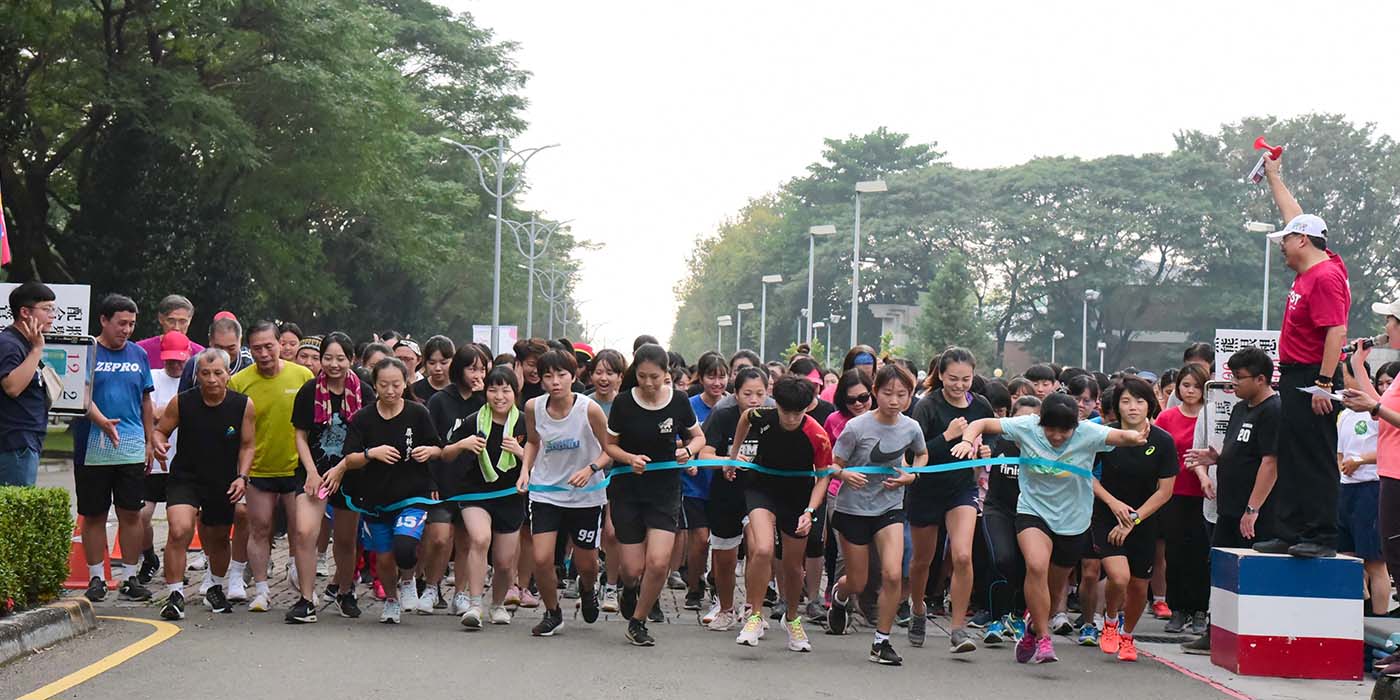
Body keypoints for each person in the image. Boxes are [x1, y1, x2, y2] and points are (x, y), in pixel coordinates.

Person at [952, 394, 1147, 665]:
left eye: (1064, 431)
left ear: (1075, 427)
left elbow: (1123, 437)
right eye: (1050, 429)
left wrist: (1136, 436)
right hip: (1033, 511)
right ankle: (1044, 639)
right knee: (1036, 566)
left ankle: (1033, 627)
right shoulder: (1027, 426)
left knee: (1054, 592)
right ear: (1041, 423)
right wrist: (966, 440)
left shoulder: (1089, 432)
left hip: (1073, 519)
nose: (1056, 436)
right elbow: (983, 423)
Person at [1254, 154, 1350, 559]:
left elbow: (1337, 331)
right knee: (1292, 454)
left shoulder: (1325, 277)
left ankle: (1322, 535)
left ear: (1303, 242)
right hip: (1297, 374)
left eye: (1286, 240)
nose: (1282, 246)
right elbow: (1297, 216)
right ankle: (1292, 530)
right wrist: (1274, 176)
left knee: (1314, 456)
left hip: (1315, 375)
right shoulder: (1313, 265)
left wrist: (1324, 383)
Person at [322, 357, 442, 624]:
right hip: (376, 498)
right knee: (385, 558)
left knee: (405, 544)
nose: (390, 391)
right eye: (384, 385)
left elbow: (438, 448)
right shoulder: (363, 418)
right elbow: (349, 458)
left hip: (412, 494)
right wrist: (371, 453)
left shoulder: (418, 413)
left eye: (396, 384)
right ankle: (391, 599)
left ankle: (409, 581)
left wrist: (429, 451)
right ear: (374, 385)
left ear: (405, 383)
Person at [1180, 346, 1282, 654]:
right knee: (1221, 570)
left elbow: (1270, 463)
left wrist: (1253, 508)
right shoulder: (1241, 408)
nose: (1233, 384)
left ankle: (1251, 636)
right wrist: (1215, 458)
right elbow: (1238, 452)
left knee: (1249, 574)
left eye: (1239, 378)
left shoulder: (1274, 411)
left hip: (1253, 512)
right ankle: (1217, 631)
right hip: (1226, 507)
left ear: (1262, 379)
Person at [827, 363, 928, 666]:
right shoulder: (856, 427)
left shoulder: (911, 427)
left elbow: (921, 454)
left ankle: (881, 642)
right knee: (858, 581)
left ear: (911, 396)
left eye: (902, 394)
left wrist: (913, 475)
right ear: (874, 393)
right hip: (852, 508)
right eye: (887, 393)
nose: (894, 400)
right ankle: (840, 595)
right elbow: (834, 463)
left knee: (893, 573)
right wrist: (845, 475)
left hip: (889, 506)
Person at [603, 343, 704, 647]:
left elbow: (698, 437)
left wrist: (687, 451)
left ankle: (638, 621)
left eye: (655, 377)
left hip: (665, 490)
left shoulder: (679, 401)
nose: (648, 383)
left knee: (658, 563)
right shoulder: (623, 403)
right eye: (643, 376)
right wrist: (629, 458)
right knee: (632, 569)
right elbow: (610, 445)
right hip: (628, 491)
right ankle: (629, 589)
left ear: (666, 374)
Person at [153, 349, 255, 620]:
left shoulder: (242, 405)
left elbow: (247, 445)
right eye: (205, 373)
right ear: (197, 375)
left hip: (222, 480)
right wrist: (158, 442)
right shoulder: (182, 402)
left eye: (218, 373)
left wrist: (241, 477)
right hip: (186, 477)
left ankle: (214, 585)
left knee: (219, 537)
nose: (212, 379)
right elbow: (161, 429)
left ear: (228, 374)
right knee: (179, 530)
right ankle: (175, 595)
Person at [908, 347, 994, 653]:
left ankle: (957, 629)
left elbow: (992, 435)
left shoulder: (981, 405)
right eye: (953, 379)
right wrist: (947, 436)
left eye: (966, 379)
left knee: (962, 555)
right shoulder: (927, 406)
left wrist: (986, 450)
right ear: (940, 375)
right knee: (923, 560)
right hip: (925, 489)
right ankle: (918, 608)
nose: (959, 385)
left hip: (962, 489)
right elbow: (915, 454)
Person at [522, 349, 612, 636]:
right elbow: (533, 442)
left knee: (586, 562)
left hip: (586, 495)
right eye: (548, 376)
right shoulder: (533, 407)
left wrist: (590, 469)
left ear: (574, 376)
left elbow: (610, 450)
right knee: (542, 558)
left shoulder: (589, 409)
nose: (555, 382)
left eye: (561, 375)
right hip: (546, 492)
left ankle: (588, 589)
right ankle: (552, 613)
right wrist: (525, 470)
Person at [74, 294, 155, 603]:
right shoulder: (87, 352)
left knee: (131, 513)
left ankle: (129, 577)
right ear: (104, 321)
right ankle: (96, 577)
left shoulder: (138, 354)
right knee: (94, 514)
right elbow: (80, 395)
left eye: (132, 324)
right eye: (121, 323)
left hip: (132, 445)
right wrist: (102, 421)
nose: (127, 330)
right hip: (92, 445)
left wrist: (149, 440)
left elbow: (146, 399)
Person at [228, 320, 314, 613]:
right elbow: (232, 431)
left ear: (282, 344)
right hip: (259, 469)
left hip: (296, 469)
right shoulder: (239, 382)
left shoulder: (302, 376)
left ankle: (304, 588)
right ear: (249, 350)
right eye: (256, 348)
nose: (264, 353)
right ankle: (262, 590)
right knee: (260, 527)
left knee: (299, 530)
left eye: (269, 346)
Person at [1092, 378, 1177, 663]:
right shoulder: (1103, 435)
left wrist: (1134, 519)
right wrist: (1114, 504)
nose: (1133, 407)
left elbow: (1165, 491)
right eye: (1126, 401)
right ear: (1116, 405)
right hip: (1107, 515)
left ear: (1149, 405)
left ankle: (1128, 636)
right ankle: (1111, 620)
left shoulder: (1162, 441)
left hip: (1144, 518)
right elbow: (1086, 476)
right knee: (1119, 577)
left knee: (1140, 585)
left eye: (1139, 401)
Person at [291, 332, 374, 620]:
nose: (333, 364)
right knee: (305, 532)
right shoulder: (309, 390)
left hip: (352, 473)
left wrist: (344, 468)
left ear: (351, 359)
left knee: (345, 540)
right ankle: (305, 599)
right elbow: (300, 436)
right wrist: (312, 472)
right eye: (328, 358)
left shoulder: (364, 392)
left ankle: (345, 591)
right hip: (314, 473)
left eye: (340, 358)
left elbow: (368, 435)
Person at [439, 365, 528, 628]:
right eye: (493, 389)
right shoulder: (473, 421)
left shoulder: (525, 422)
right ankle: (475, 604)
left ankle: (498, 605)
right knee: (480, 539)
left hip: (511, 496)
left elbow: (541, 461)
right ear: (485, 391)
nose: (499, 396)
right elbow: (445, 454)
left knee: (503, 562)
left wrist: (521, 452)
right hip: (474, 492)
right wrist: (461, 445)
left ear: (515, 392)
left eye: (506, 390)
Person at [1342, 304, 1400, 672]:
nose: (1385, 327)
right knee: (1393, 558)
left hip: (1395, 474)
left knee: (1394, 559)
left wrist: (1376, 411)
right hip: (1389, 474)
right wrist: (1359, 367)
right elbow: (1376, 406)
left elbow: (1380, 412)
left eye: (1390, 321)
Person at [699, 365, 770, 631]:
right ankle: (726, 608)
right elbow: (704, 455)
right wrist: (727, 461)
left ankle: (754, 610)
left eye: (760, 394)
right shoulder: (722, 415)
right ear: (736, 393)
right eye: (747, 394)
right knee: (725, 558)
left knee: (759, 549)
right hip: (725, 493)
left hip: (759, 494)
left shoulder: (772, 416)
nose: (754, 400)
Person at [421, 343, 489, 615]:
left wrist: (485, 396)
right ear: (459, 369)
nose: (477, 374)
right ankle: (430, 586)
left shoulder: (485, 401)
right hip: (441, 480)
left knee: (466, 540)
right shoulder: (439, 401)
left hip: (472, 483)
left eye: (482, 368)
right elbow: (429, 445)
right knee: (439, 537)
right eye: (472, 368)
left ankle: (460, 593)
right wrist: (431, 483)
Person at [1155, 363, 1211, 635]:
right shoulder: (1166, 418)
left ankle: (1200, 610)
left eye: (1196, 386)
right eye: (1185, 385)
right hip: (1173, 493)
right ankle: (1177, 610)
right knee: (1175, 553)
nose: (1190, 391)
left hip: (1205, 494)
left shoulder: (1213, 415)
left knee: (1200, 554)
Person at [979, 396, 1039, 646]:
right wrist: (980, 454)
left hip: (1031, 513)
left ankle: (1016, 615)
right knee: (1002, 559)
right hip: (998, 510)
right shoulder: (997, 441)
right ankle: (995, 618)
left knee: (1028, 565)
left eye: (1032, 420)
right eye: (1020, 418)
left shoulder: (1044, 447)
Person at [138, 330, 193, 584]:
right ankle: (149, 556)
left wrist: (162, 413)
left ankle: (176, 568)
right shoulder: (153, 378)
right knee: (141, 516)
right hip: (153, 462)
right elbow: (146, 412)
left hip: (181, 463)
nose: (175, 364)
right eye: (170, 359)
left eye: (180, 359)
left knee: (178, 522)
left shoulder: (194, 381)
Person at [681, 352, 727, 610]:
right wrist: (688, 456)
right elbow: (678, 438)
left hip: (723, 484)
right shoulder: (688, 405)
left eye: (722, 376)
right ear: (701, 377)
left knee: (720, 540)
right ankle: (694, 584)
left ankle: (717, 582)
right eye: (711, 376)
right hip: (694, 484)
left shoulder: (733, 406)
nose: (717, 382)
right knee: (699, 539)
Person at [0, 281, 55, 486]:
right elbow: (12, 387)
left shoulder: (24, 343)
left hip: (27, 440)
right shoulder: (9, 344)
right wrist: (37, 349)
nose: (52, 315)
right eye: (46, 309)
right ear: (24, 312)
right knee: (12, 513)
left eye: (54, 309)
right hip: (15, 441)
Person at [135, 294, 205, 370]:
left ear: (190, 321)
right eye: (171, 321)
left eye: (182, 321)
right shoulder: (140, 349)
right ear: (160, 319)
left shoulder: (200, 354)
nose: (176, 327)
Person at [412, 335, 455, 404]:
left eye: (443, 363)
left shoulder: (460, 390)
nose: (438, 368)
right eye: (432, 363)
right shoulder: (414, 390)